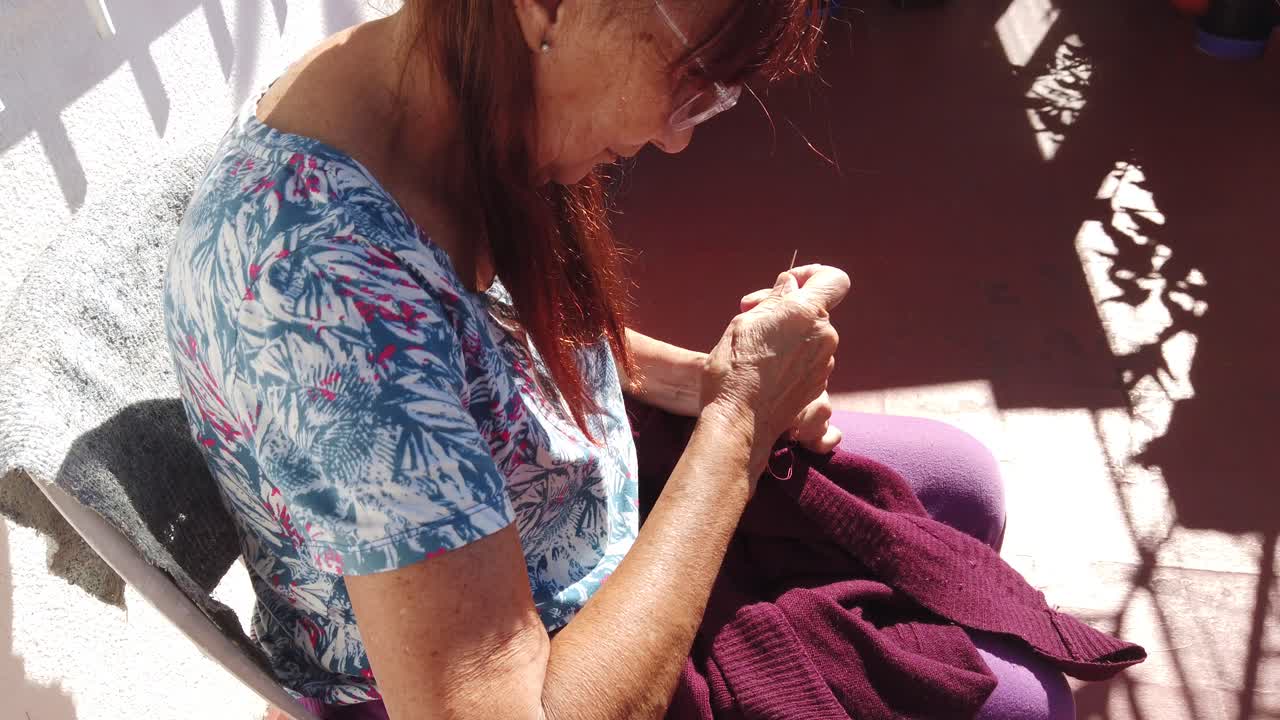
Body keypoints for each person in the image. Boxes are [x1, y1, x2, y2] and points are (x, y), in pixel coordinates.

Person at [164, 1, 1073, 718]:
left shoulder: (441, 71)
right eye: (689, 80)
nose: (679, 135)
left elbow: (479, 334)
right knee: (1024, 700)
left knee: (968, 482)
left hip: (565, 503)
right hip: (504, 660)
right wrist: (739, 423)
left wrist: (701, 379)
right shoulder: (319, 281)